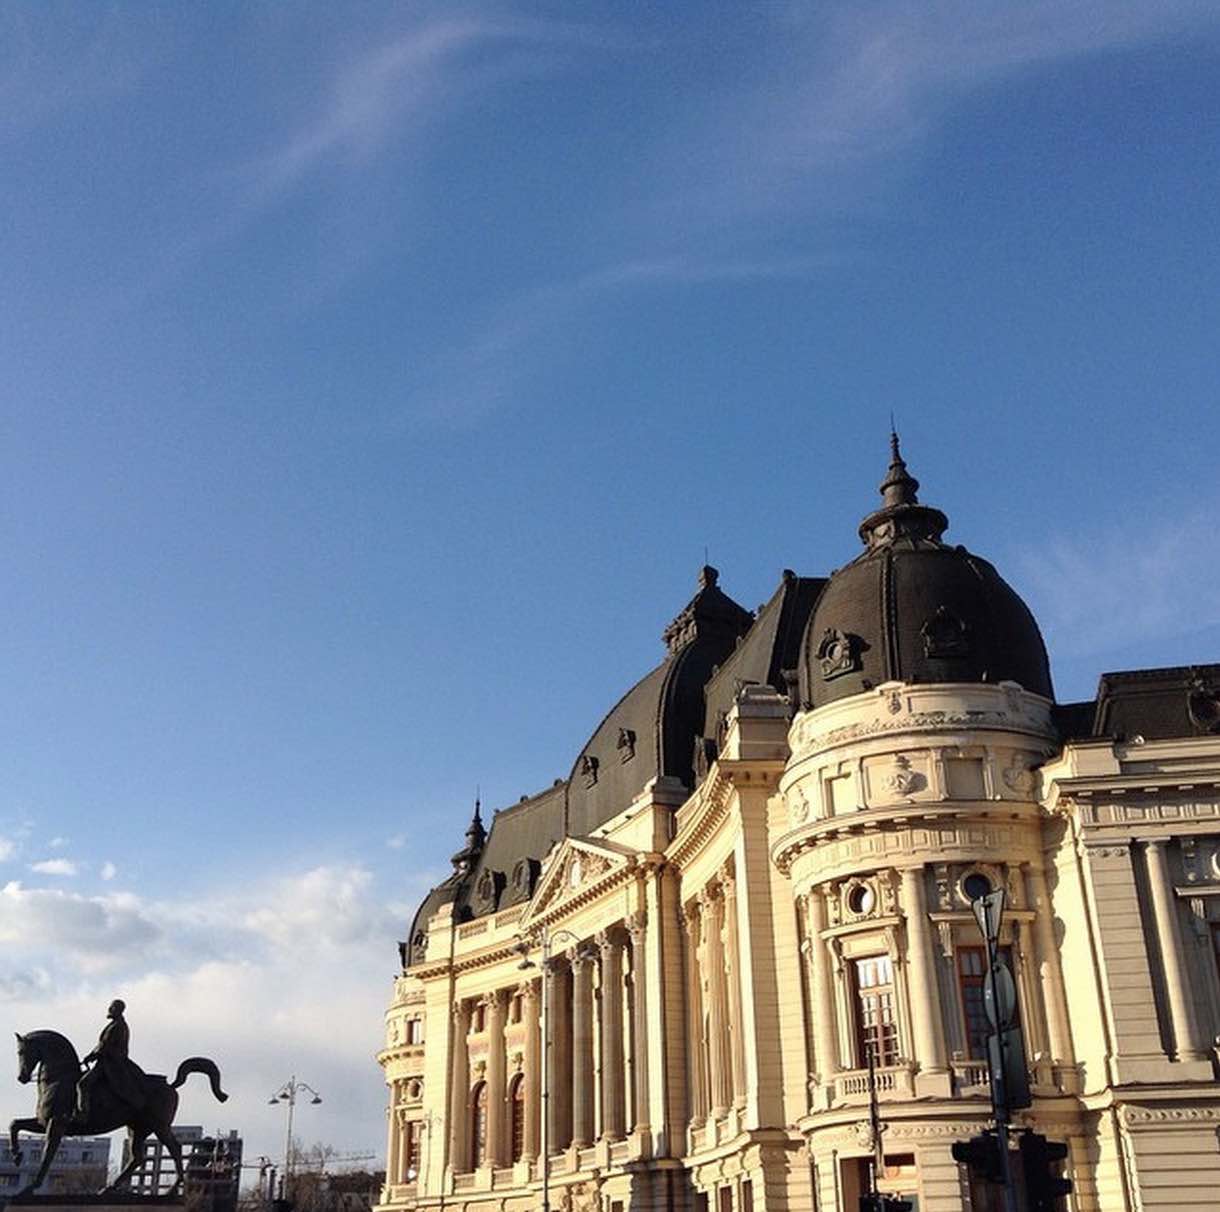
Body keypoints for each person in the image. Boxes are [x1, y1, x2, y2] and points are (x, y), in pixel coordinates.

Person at [77, 999, 146, 1120]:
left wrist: (91, 1056)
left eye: (112, 1007)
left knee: (83, 1084)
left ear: (118, 1010)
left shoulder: (117, 1026)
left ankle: (83, 1114)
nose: (109, 1009)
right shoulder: (116, 1024)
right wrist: (92, 1055)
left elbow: (105, 1045)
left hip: (110, 1064)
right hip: (108, 1062)